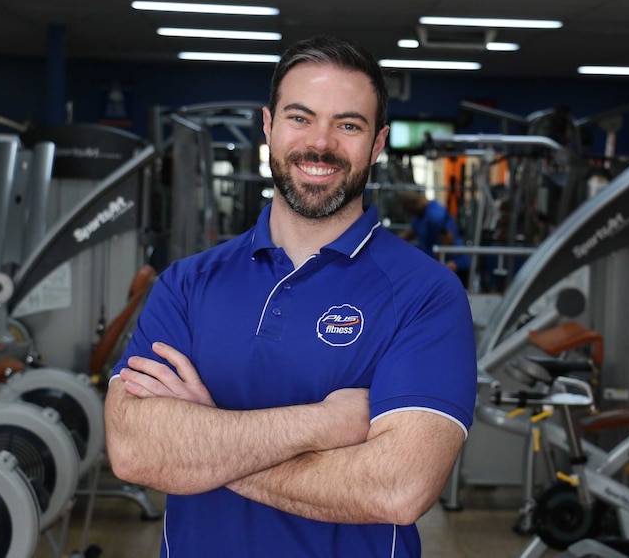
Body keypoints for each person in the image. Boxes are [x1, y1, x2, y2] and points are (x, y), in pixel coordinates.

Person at [104, 35, 477, 557]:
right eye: (300, 118)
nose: (320, 143)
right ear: (269, 127)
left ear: (377, 143)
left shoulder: (426, 294)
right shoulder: (187, 283)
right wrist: (325, 424)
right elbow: (134, 450)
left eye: (348, 125)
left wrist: (202, 444)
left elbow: (397, 487)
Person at [397, 189, 471, 283]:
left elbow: (448, 244)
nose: (409, 214)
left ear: (414, 203)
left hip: (454, 266)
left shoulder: (435, 215)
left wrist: (432, 268)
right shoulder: (419, 215)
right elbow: (408, 234)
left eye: (408, 210)